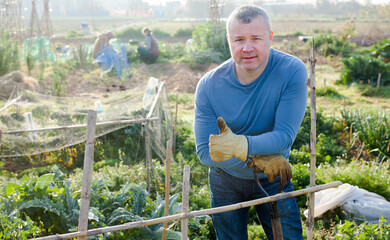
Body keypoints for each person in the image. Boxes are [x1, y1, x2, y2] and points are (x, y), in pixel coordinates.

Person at [194, 4, 308, 240]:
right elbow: (205, 153)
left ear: (270, 38)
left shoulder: (291, 71)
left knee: (288, 238)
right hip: (225, 180)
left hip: (273, 175)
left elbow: (285, 136)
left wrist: (237, 146)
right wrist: (259, 154)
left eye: (256, 38)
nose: (247, 48)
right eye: (238, 40)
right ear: (229, 41)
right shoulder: (209, 85)